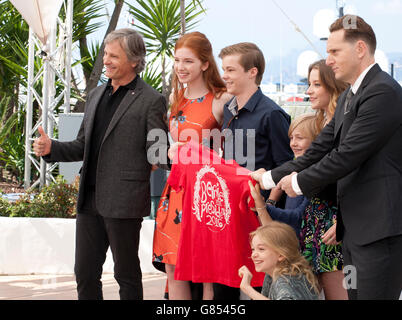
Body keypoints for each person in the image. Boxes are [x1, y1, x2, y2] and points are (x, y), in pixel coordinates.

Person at [251, 15, 402, 300]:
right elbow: (320, 149)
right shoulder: (349, 97)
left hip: (379, 232)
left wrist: (298, 183)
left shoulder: (383, 92)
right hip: (354, 231)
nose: (329, 60)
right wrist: (270, 178)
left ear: (359, 49)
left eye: (334, 51)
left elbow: (347, 155)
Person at [32, 28, 169, 300]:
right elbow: (84, 144)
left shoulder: (151, 100)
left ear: (133, 60)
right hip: (89, 201)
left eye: (114, 55)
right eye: (106, 53)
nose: (106, 60)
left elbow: (159, 153)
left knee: (126, 275)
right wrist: (53, 148)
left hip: (124, 201)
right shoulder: (95, 95)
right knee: (84, 273)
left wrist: (153, 158)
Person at [152, 31, 232, 300]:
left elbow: (232, 154)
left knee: (206, 270)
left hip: (206, 195)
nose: (180, 67)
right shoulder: (176, 98)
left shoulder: (221, 99)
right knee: (173, 267)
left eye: (188, 61)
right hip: (175, 191)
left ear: (205, 64)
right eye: (177, 60)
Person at [215, 42, 293, 300]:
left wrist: (267, 206)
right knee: (225, 280)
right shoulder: (229, 109)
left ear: (252, 72)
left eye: (230, 70)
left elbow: (287, 167)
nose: (224, 75)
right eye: (223, 69)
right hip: (229, 215)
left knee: (261, 283)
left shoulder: (272, 114)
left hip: (260, 218)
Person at [250, 113, 348, 300]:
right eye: (291, 138)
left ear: (318, 143)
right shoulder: (295, 169)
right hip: (308, 250)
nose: (293, 143)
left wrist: (262, 205)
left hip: (327, 249)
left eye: (300, 138)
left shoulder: (312, 177)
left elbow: (297, 218)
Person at [238, 222, 319, 300]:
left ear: (281, 255)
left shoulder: (284, 281)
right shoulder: (276, 273)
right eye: (253, 249)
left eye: (261, 249)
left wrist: (248, 289)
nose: (253, 255)